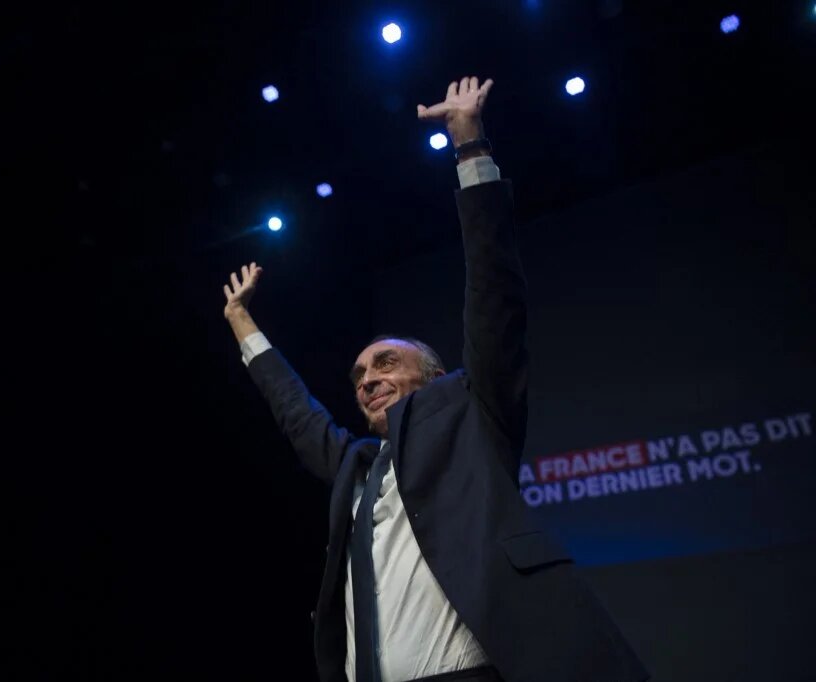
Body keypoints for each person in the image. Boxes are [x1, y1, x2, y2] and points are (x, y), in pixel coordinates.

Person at [222, 75, 648, 682]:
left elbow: (495, 298)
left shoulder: (475, 418)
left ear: (434, 375)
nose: (367, 380)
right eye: (359, 374)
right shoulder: (356, 468)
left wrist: (470, 148)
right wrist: (241, 322)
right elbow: (296, 412)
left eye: (386, 363)